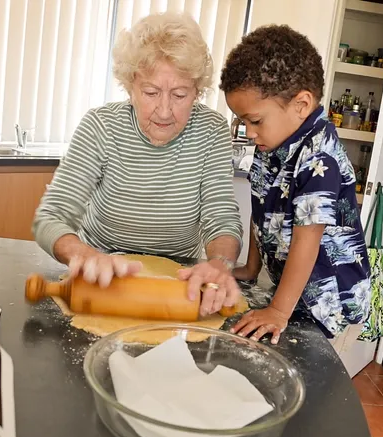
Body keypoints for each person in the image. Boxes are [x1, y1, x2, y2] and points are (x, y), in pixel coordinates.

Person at [33, 12, 243, 315]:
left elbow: (221, 217)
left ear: (198, 91)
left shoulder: (211, 130)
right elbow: (52, 217)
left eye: (180, 94)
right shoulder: (101, 126)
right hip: (102, 276)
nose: (164, 110)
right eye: (151, 92)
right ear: (130, 86)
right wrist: (85, 256)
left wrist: (220, 265)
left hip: (179, 279)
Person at [220, 25, 372, 345]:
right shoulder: (269, 144)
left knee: (310, 368)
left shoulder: (320, 157)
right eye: (242, 121)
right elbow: (259, 209)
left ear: (301, 105)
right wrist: (250, 267)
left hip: (327, 299)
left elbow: (308, 240)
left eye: (255, 120)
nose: (248, 132)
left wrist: (277, 310)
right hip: (293, 293)